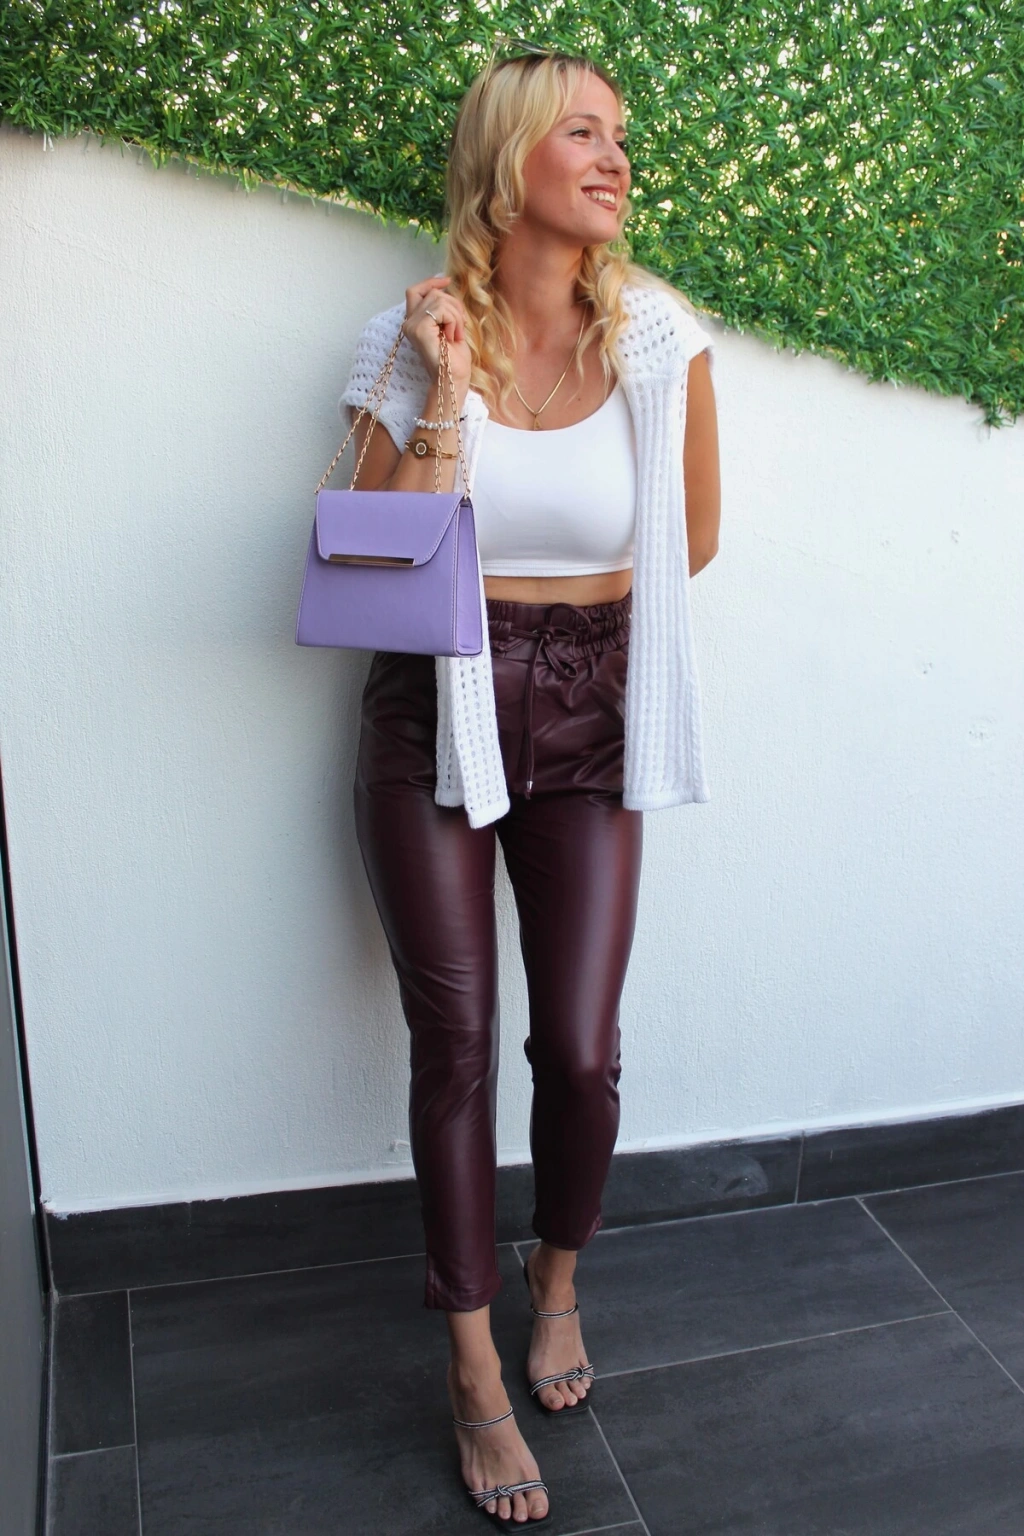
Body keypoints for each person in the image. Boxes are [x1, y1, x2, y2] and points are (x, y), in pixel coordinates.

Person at [338, 48, 720, 1529]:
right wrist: (448, 386)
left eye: (621, 135)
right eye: (582, 132)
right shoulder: (412, 333)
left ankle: (556, 1281)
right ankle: (472, 1368)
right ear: (510, 163)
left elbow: (687, 542)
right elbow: (370, 558)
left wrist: (571, 634)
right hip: (433, 700)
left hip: (596, 701)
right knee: (456, 1045)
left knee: (578, 1045)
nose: (616, 157)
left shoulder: (659, 338)